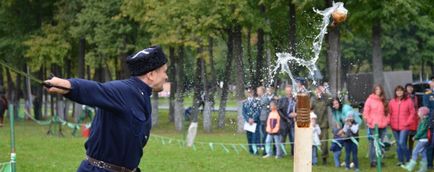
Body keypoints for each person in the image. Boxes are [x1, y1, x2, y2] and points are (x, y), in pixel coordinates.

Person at [44, 45, 168, 172]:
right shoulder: (123, 90)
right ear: (151, 75)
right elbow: (96, 90)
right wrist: (66, 85)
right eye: (164, 71)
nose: (166, 76)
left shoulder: (142, 94)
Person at [363, 84, 390, 168]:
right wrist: (370, 121)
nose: (378, 91)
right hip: (373, 126)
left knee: (381, 144)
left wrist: (386, 121)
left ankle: (379, 160)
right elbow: (366, 113)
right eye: (376, 89)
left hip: (383, 125)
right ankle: (373, 161)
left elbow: (387, 113)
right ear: (374, 90)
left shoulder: (384, 100)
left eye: (379, 89)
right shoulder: (370, 100)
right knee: (373, 144)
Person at [389, 85, 416, 166]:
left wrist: (407, 122)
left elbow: (412, 113)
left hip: (404, 126)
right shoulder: (392, 101)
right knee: (398, 144)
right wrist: (390, 122)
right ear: (395, 92)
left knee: (401, 143)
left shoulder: (408, 101)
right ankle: (400, 161)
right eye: (397, 91)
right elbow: (389, 113)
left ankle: (408, 158)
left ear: (403, 92)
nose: (399, 92)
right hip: (394, 126)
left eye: (401, 90)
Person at [401, 106, 430, 172]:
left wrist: (415, 136)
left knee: (415, 151)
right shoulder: (424, 120)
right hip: (424, 139)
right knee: (423, 152)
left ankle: (410, 167)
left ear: (423, 113)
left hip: (423, 139)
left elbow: (422, 131)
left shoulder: (424, 121)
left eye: (419, 112)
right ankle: (424, 168)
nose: (418, 113)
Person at [311, 84, 331, 164]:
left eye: (320, 90)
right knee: (313, 142)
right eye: (317, 90)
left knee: (324, 143)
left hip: (323, 124)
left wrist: (324, 92)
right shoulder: (313, 99)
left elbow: (331, 99)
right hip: (314, 124)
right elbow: (309, 107)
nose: (318, 92)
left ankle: (324, 158)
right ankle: (313, 158)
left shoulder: (325, 98)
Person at [278, 85, 297, 156]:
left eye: (290, 91)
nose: (289, 92)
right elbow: (279, 110)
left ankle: (293, 153)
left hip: (293, 122)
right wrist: (286, 117)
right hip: (284, 122)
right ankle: (280, 153)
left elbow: (298, 109)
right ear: (285, 91)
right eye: (287, 91)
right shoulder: (282, 99)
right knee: (282, 139)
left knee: (293, 138)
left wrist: (296, 114)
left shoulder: (295, 99)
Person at [242, 88, 260, 155]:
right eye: (248, 92)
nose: (249, 94)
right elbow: (244, 112)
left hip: (254, 122)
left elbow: (258, 111)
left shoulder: (257, 101)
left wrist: (253, 118)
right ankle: (251, 150)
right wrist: (248, 119)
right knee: (249, 137)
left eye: (250, 92)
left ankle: (255, 151)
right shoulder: (245, 102)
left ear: (253, 93)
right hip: (248, 122)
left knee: (254, 137)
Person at [406, 83, 419, 153]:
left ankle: (410, 151)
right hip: (406, 119)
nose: (410, 89)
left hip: (414, 119)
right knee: (405, 136)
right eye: (408, 87)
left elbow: (417, 107)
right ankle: (404, 152)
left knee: (412, 137)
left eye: (411, 87)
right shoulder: (404, 96)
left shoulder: (415, 97)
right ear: (406, 88)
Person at [424, 77, 434, 168]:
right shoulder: (427, 94)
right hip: (432, 122)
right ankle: (429, 164)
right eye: (433, 81)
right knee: (430, 144)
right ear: (430, 83)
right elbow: (426, 108)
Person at [257, 86, 271, 152]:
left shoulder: (264, 98)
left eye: (258, 91)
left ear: (262, 91)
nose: (257, 92)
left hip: (264, 118)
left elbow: (260, 105)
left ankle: (265, 147)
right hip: (262, 117)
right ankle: (263, 145)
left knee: (264, 133)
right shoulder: (261, 98)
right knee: (262, 132)